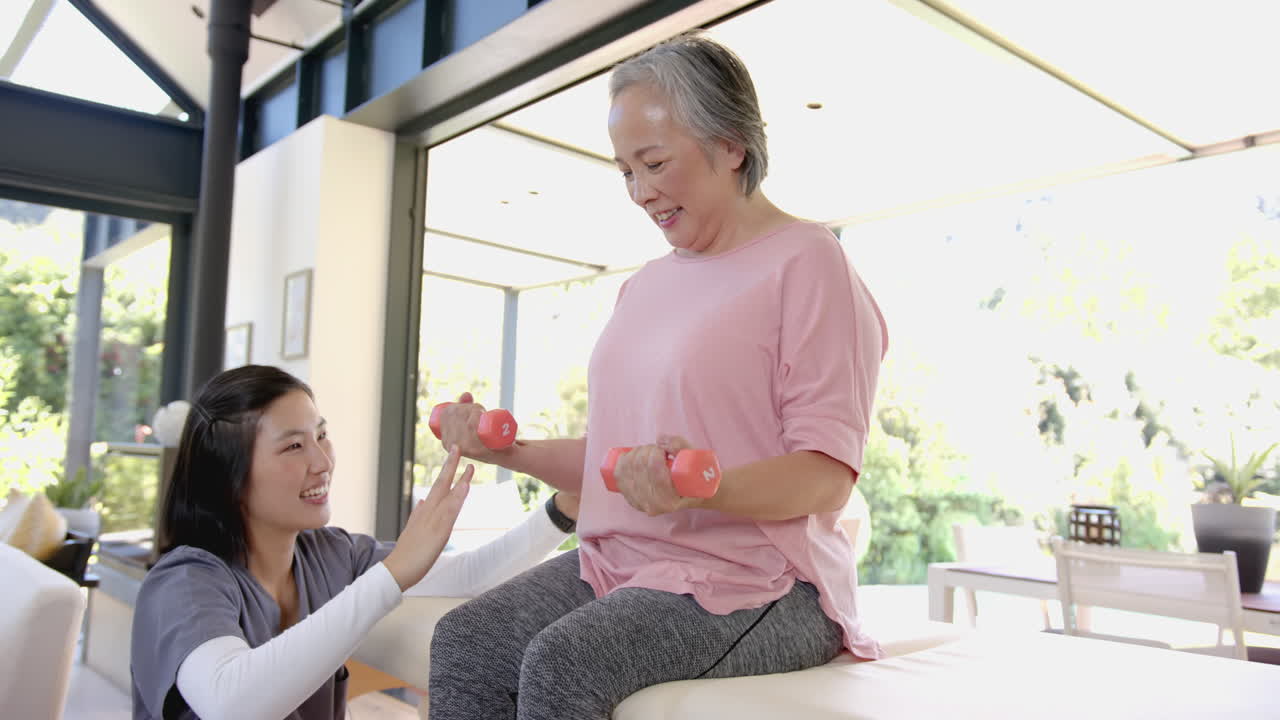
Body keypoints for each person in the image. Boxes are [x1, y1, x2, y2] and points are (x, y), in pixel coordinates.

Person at [427, 32, 889, 720]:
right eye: (625, 172)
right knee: (466, 640)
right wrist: (507, 451)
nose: (640, 192)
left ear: (730, 144)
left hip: (763, 582)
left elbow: (826, 474)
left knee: (565, 662)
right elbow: (621, 466)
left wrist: (701, 487)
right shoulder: (644, 287)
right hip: (624, 564)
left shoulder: (808, 261)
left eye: (654, 163)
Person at [130, 366, 579, 720]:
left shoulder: (329, 554)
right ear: (229, 475)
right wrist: (393, 572)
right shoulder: (184, 584)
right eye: (293, 447)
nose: (322, 461)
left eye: (321, 435)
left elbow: (468, 578)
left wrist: (563, 510)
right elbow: (231, 705)